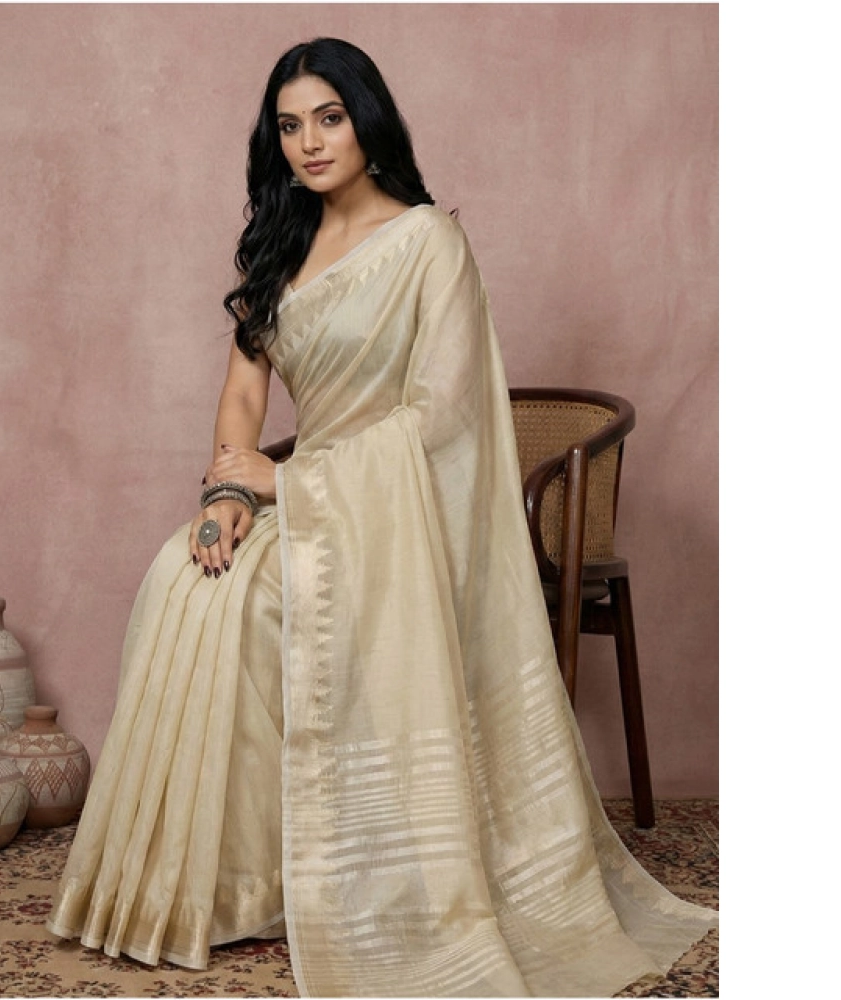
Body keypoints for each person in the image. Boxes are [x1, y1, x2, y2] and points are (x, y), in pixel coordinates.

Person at [46, 37, 717, 996]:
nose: (311, 143)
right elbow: (244, 394)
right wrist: (229, 495)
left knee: (260, 603)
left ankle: (330, 873)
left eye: (329, 118)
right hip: (312, 500)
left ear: (367, 121)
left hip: (394, 514)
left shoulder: (428, 243)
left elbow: (441, 418)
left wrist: (287, 484)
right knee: (186, 576)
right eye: (290, 126)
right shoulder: (279, 251)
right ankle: (218, 888)